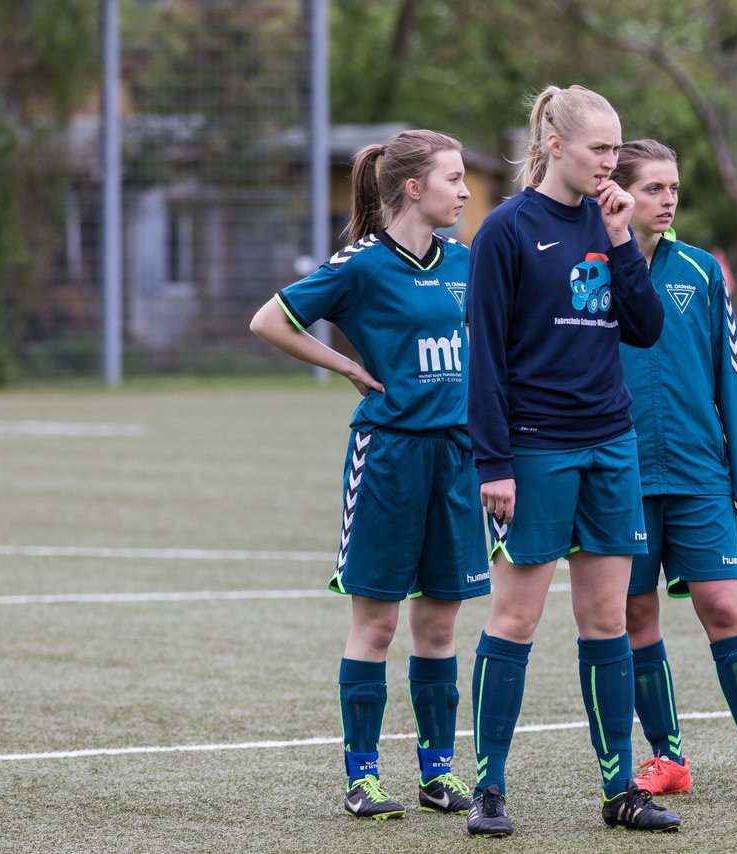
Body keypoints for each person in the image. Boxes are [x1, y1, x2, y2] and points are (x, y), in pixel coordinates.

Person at [250, 129, 488, 820]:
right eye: (454, 179)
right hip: (388, 456)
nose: (466, 191)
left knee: (439, 629)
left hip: (456, 458)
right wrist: (349, 366)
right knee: (377, 626)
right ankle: (363, 777)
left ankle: (439, 774)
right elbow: (269, 321)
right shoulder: (359, 265)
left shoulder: (467, 263)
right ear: (414, 187)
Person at [464, 85, 679, 837]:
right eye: (598, 149)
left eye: (616, 150)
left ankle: (620, 788)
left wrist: (623, 243)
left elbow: (646, 328)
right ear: (555, 143)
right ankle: (488, 788)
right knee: (516, 618)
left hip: (610, 443)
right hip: (533, 447)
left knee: (604, 620)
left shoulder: (609, 223)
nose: (610, 163)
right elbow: (483, 360)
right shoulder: (506, 230)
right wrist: (494, 463)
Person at [609, 140, 737, 802]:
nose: (667, 200)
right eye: (654, 188)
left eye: (674, 189)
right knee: (637, 615)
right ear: (620, 191)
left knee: (723, 604)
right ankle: (666, 757)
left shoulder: (702, 270)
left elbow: (733, 373)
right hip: (620, 475)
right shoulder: (591, 272)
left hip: (698, 474)